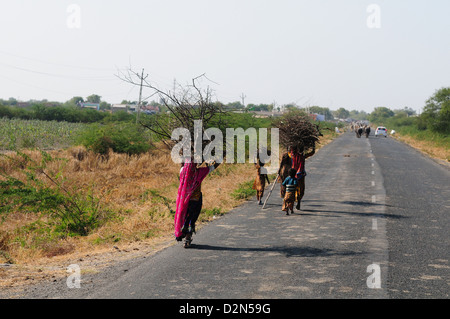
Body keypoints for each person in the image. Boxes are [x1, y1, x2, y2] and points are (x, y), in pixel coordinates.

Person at [175, 158, 220, 248]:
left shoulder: (183, 171)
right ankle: (187, 237)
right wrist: (219, 159)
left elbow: (182, 165)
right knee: (192, 219)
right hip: (195, 200)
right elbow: (213, 167)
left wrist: (185, 157)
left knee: (185, 218)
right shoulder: (199, 172)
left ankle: (185, 236)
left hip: (183, 200)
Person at [289, 144, 315, 210]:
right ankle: (298, 202)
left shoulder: (292, 156)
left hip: (293, 175)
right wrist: (313, 146)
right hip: (300, 175)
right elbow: (312, 153)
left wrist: (289, 146)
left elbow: (288, 151)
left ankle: (292, 202)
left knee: (292, 189)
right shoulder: (302, 156)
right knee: (301, 190)